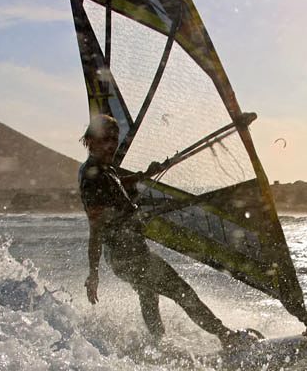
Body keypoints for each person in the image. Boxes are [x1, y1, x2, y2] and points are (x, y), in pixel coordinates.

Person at [78, 114, 258, 349]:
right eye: (107, 139)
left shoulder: (100, 168)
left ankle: (160, 345)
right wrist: (93, 273)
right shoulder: (94, 176)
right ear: (92, 140)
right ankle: (226, 337)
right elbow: (96, 228)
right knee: (182, 292)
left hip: (128, 253)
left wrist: (148, 174)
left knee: (149, 295)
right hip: (128, 256)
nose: (112, 144)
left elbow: (121, 182)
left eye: (115, 139)